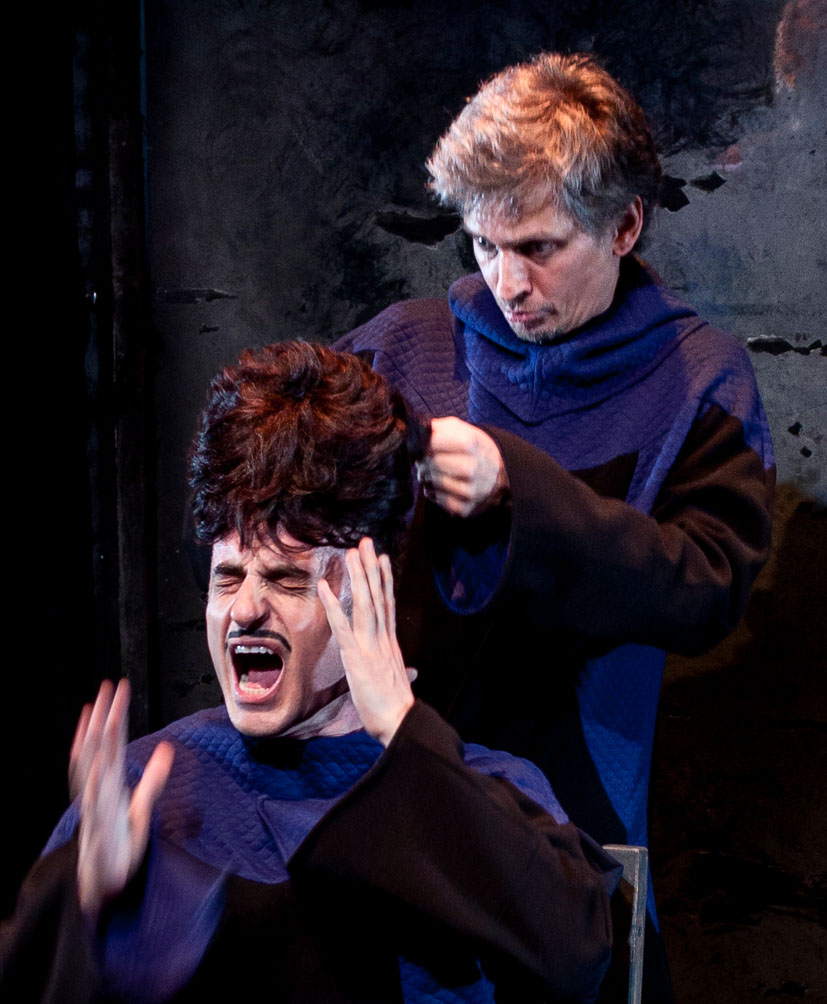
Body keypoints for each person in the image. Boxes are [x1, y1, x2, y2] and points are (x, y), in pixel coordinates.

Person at [335, 52, 776, 1000]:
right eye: (484, 246)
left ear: (623, 225)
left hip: (573, 827)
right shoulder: (400, 348)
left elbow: (706, 586)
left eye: (538, 247)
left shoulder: (697, 380)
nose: (508, 281)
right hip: (388, 803)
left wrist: (518, 495)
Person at [1, 342, 621, 1004]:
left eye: (286, 579)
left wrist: (404, 735)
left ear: (367, 593)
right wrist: (88, 907)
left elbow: (574, 958)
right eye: (228, 578)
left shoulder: (481, 786)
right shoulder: (144, 791)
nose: (244, 609)